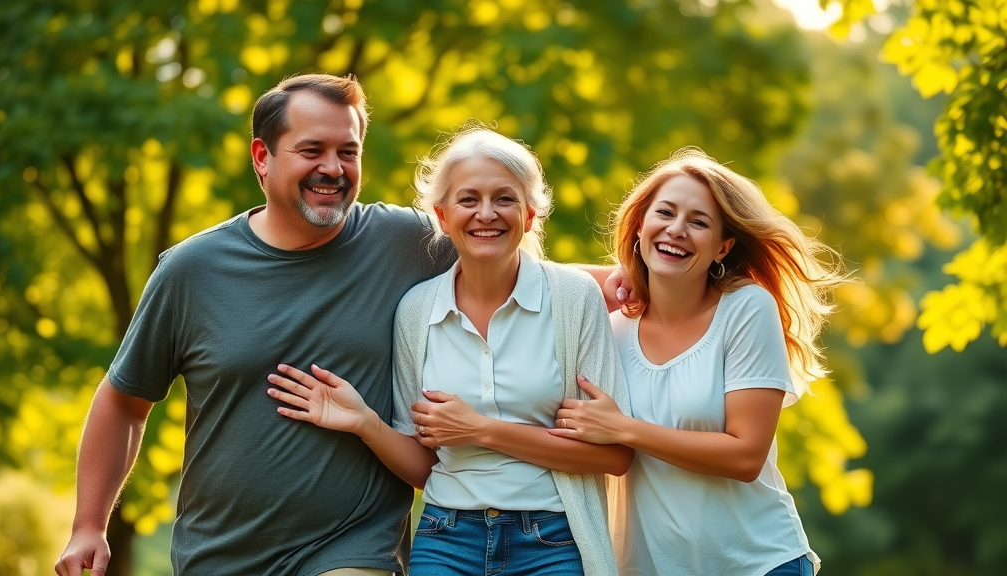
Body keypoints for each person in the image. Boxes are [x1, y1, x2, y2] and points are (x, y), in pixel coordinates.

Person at [54, 74, 626, 576]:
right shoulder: (192, 271)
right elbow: (124, 400)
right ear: (262, 156)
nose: (333, 168)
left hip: (355, 543)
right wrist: (89, 523)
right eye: (312, 150)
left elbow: (502, 254)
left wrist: (629, 279)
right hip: (223, 547)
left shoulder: (403, 242)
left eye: (347, 151)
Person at [267, 126, 633, 576]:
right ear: (442, 216)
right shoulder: (417, 312)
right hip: (446, 539)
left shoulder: (575, 299)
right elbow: (425, 467)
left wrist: (480, 430)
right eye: (468, 199)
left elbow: (615, 456)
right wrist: (364, 422)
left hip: (552, 541)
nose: (486, 214)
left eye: (504, 199)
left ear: (530, 214)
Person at [551, 148, 845, 575]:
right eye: (665, 213)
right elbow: (533, 278)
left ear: (723, 246)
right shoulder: (608, 328)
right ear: (639, 227)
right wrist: (615, 271)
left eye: (699, 222)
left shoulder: (745, 309)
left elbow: (745, 456)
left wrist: (623, 428)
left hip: (758, 563)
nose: (677, 230)